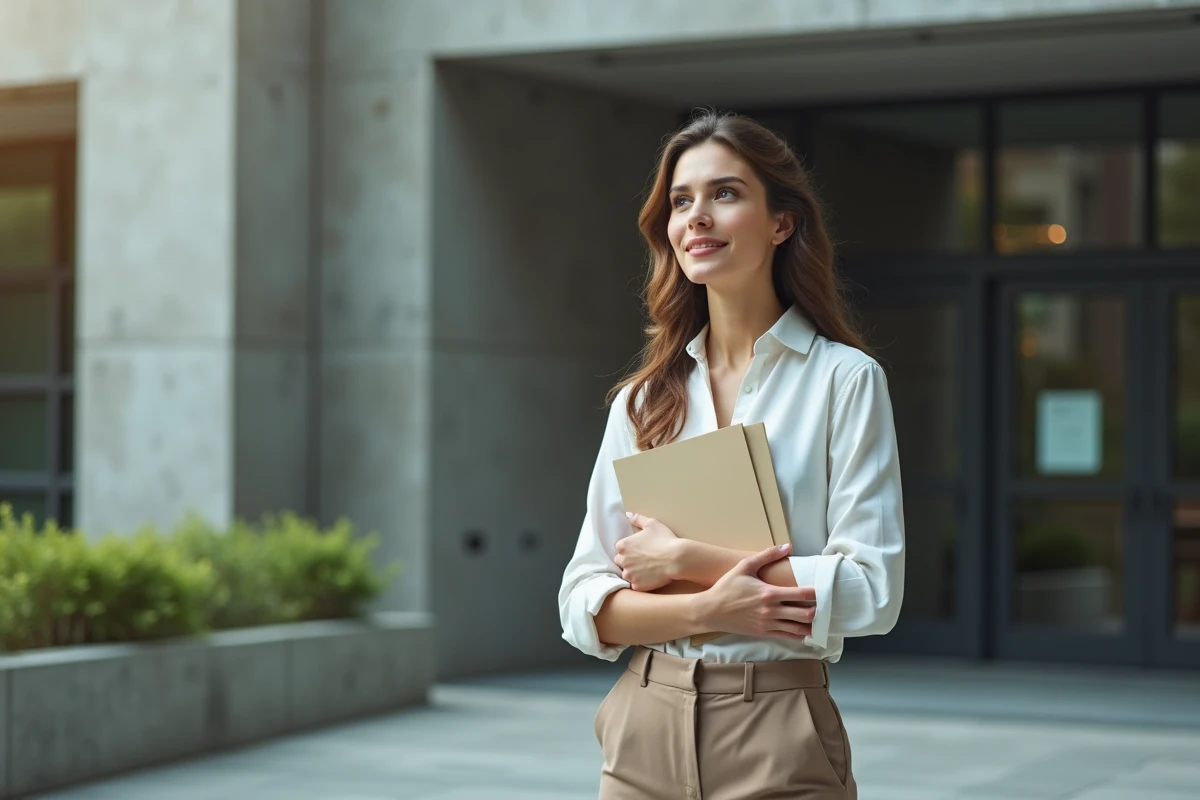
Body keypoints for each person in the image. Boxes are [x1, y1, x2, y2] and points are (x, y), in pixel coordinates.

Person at [557, 109, 905, 800]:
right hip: (644, 723)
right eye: (681, 202)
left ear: (782, 223)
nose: (697, 218)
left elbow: (873, 594)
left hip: (778, 722)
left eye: (725, 194)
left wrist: (690, 564)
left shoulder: (845, 381)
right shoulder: (644, 399)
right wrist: (710, 611)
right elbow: (584, 601)